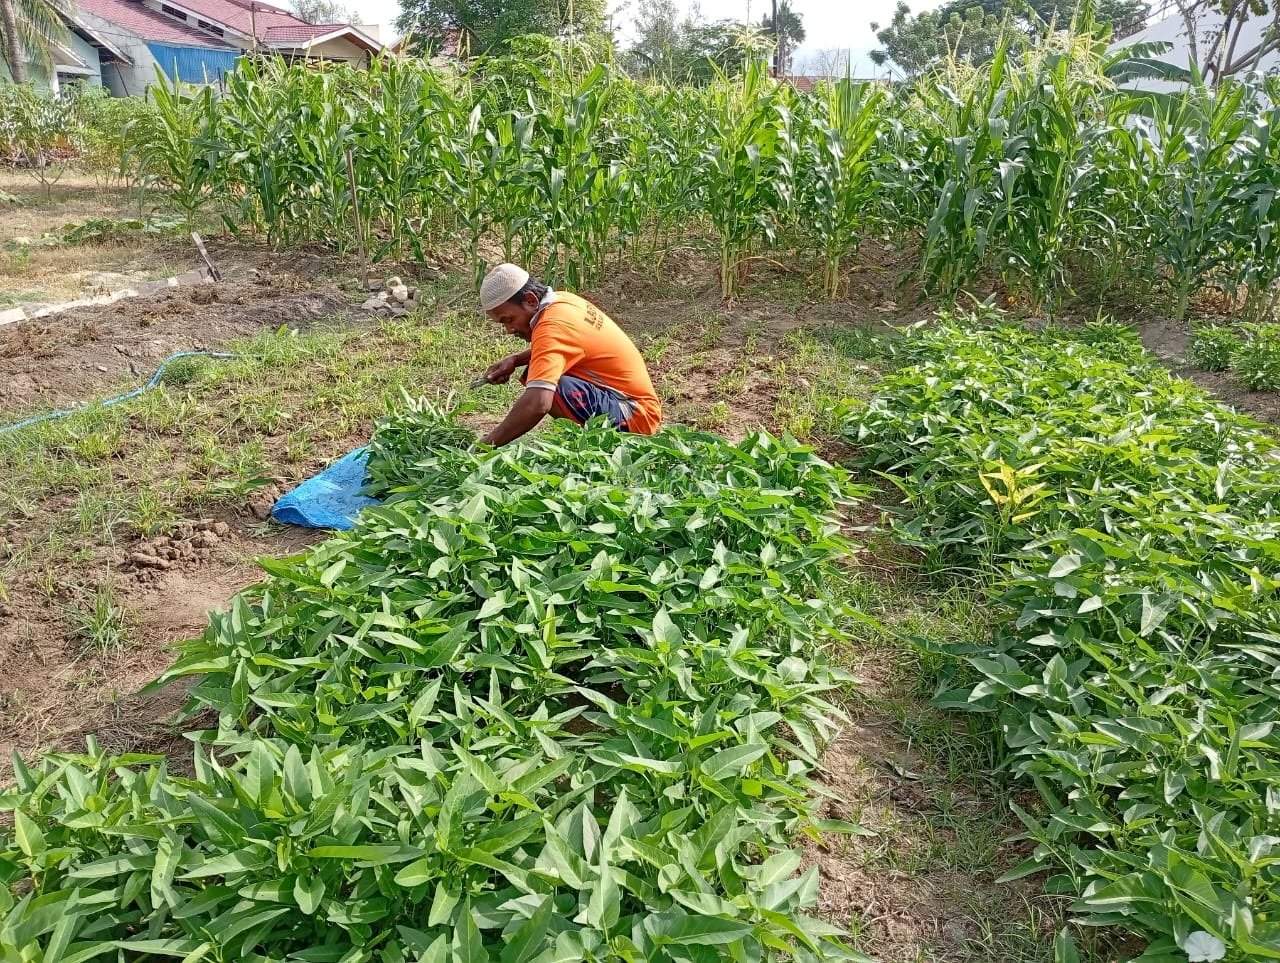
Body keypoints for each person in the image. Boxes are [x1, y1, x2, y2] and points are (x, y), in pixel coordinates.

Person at [477, 263, 662, 447]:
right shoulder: (563, 301)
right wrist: (515, 360)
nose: (509, 330)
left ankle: (603, 448)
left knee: (550, 386)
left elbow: (538, 403)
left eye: (509, 320)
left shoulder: (553, 325)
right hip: (636, 407)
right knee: (540, 370)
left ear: (531, 301)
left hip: (636, 417)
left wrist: (484, 446)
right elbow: (559, 346)